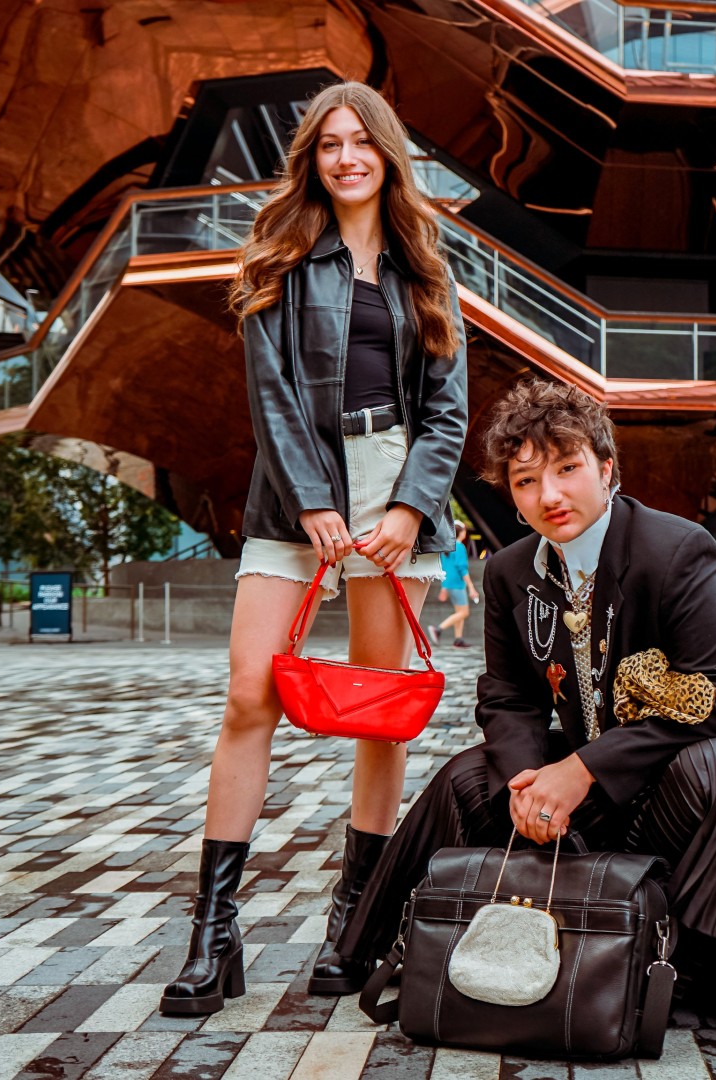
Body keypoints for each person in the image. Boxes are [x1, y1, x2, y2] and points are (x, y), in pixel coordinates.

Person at [339, 380, 716, 1035]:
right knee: (472, 778)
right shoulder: (507, 573)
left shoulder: (675, 549)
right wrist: (529, 784)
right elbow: (509, 700)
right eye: (526, 480)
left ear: (606, 468)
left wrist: (582, 771)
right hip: (619, 749)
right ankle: (392, 938)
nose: (549, 495)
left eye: (567, 469)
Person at [159, 81, 467, 1015]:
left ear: (386, 154)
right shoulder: (278, 257)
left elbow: (448, 413)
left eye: (361, 142)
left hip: (394, 488)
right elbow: (272, 400)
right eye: (328, 143)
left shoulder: (427, 269)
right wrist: (315, 506)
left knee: (377, 714)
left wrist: (410, 510)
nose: (345, 157)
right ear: (312, 158)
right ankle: (214, 934)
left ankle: (356, 922)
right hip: (295, 497)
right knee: (250, 694)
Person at [428, 521, 480, 647]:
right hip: (457, 584)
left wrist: (444, 587)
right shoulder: (459, 546)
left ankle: (458, 639)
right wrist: (471, 588)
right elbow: (462, 569)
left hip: (449, 583)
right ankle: (438, 629)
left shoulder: (446, 547)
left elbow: (445, 568)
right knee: (464, 612)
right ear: (461, 532)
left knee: (459, 611)